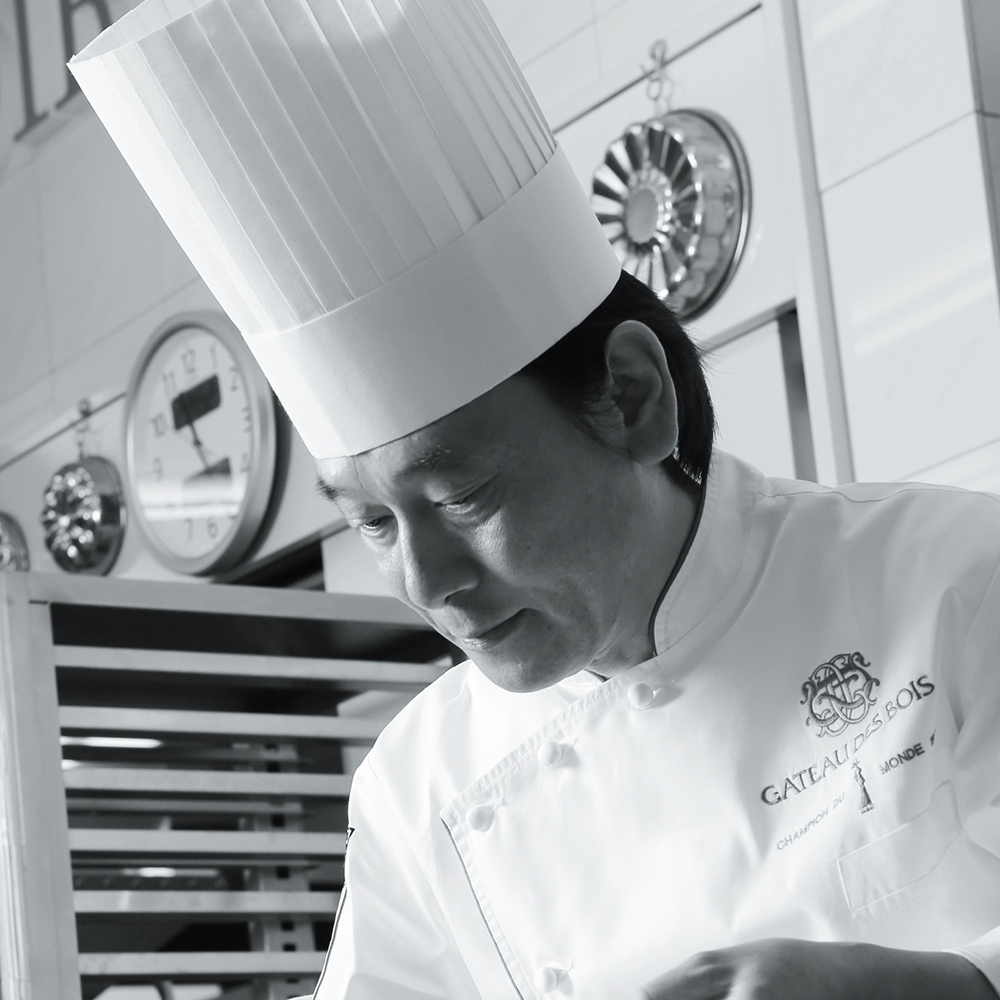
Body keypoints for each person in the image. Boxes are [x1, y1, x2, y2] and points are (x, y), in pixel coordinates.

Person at [70, 1, 1000, 997]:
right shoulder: (417, 785)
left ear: (631, 399)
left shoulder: (957, 580)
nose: (427, 583)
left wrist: (914, 987)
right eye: (373, 522)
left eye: (461, 495)